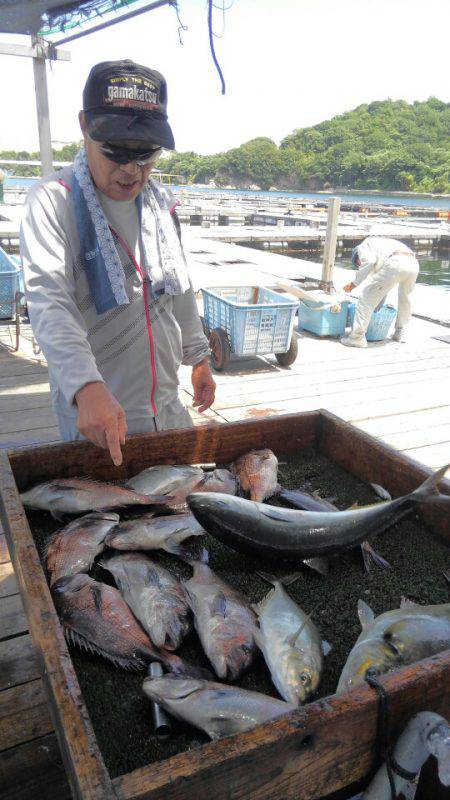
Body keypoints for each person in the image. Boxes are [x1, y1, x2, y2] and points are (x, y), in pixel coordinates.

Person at [20, 60, 215, 466]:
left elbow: (179, 288)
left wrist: (198, 358)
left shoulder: (162, 206)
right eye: (115, 152)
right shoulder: (52, 203)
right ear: (83, 126)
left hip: (167, 404)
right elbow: (49, 301)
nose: (130, 170)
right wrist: (86, 387)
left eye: (145, 155)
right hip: (97, 413)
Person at [340, 236, 420, 348]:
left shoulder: (363, 246)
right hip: (413, 263)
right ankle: (400, 333)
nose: (360, 265)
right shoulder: (380, 246)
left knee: (365, 298)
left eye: (358, 264)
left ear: (357, 255)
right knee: (405, 298)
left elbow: (369, 262)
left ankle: (357, 338)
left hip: (396, 262)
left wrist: (354, 283)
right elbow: (381, 289)